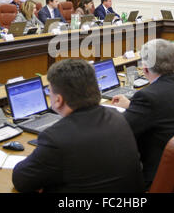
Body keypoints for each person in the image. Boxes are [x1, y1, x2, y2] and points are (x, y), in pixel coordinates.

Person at [12, 59, 144, 193]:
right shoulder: (117, 116)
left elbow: (21, 181)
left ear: (58, 100)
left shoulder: (55, 138)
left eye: (49, 91)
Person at [111, 39, 174, 188]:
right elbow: (166, 108)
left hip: (159, 175)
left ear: (145, 69)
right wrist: (132, 106)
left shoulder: (148, 97)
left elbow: (119, 133)